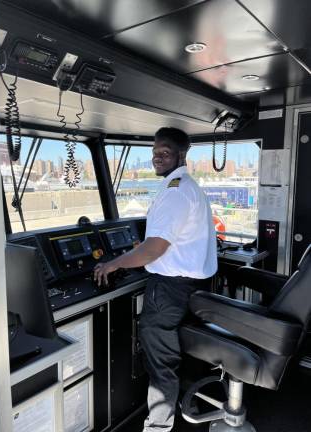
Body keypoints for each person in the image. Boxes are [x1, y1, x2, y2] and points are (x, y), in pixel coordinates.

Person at [94, 127, 218, 431]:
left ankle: (157, 427)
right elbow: (165, 243)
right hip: (193, 288)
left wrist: (113, 264)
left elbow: (154, 249)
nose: (156, 158)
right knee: (182, 352)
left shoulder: (174, 190)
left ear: (181, 154)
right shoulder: (188, 186)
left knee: (161, 362)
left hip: (169, 290)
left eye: (164, 152)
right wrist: (140, 251)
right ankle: (191, 405)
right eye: (154, 153)